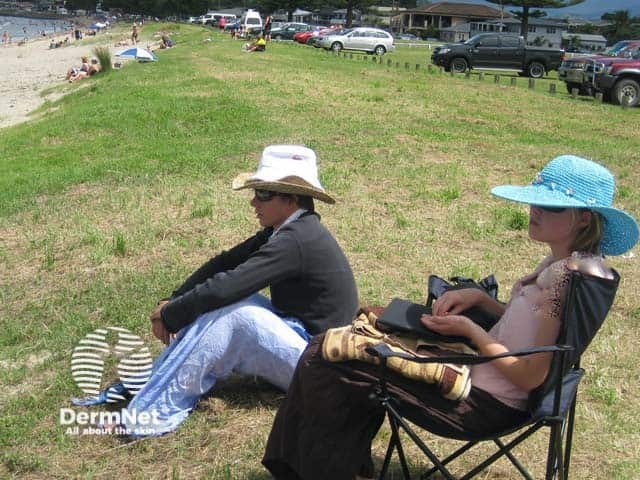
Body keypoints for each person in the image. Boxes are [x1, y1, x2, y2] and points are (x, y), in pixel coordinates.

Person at [262, 154, 639, 480]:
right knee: (349, 345)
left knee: (326, 357)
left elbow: (530, 373)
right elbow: (532, 330)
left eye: (550, 206)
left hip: (481, 402)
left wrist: (471, 330)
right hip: (482, 378)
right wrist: (480, 299)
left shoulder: (565, 278)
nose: (534, 210)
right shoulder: (573, 265)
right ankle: (341, 466)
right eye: (535, 201)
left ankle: (309, 470)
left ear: (584, 220)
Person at [94, 145, 358, 436]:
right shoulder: (288, 230)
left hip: (321, 368)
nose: (253, 202)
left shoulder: (295, 240)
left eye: (262, 194)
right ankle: (154, 385)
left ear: (291, 199)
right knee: (230, 305)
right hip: (307, 346)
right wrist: (175, 298)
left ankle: (149, 415)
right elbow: (227, 263)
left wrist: (172, 313)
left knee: (236, 316)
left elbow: (228, 285)